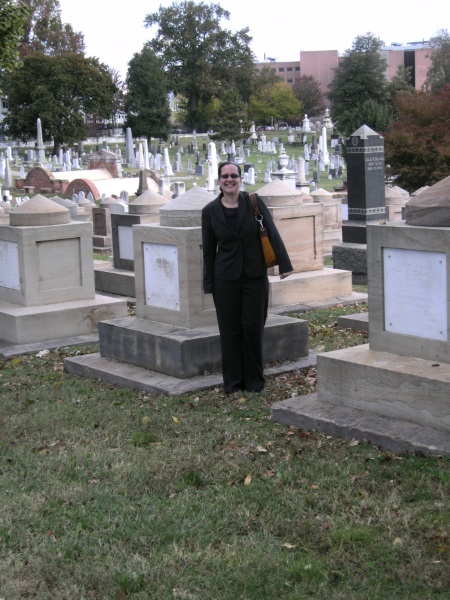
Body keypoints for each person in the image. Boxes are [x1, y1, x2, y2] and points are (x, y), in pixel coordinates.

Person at [201, 161, 293, 394]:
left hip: (254, 277)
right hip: (225, 280)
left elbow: (271, 231)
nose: (229, 180)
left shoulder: (253, 202)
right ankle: (233, 383)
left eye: (233, 175)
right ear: (219, 181)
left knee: (252, 329)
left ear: (240, 179)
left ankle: (254, 381)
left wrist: (284, 263)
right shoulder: (209, 211)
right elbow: (209, 251)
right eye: (224, 176)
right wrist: (209, 284)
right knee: (230, 331)